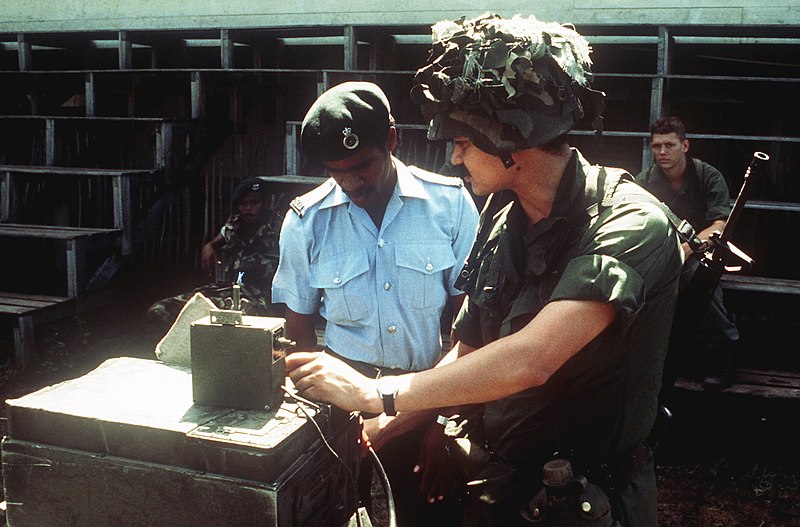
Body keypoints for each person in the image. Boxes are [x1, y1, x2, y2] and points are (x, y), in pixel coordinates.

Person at [284, 14, 684, 527]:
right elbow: (470, 348)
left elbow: (531, 359)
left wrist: (377, 393)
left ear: (511, 140)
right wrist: (386, 424)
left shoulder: (632, 223)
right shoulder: (503, 213)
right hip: (504, 487)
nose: (453, 157)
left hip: (588, 501)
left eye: (464, 141)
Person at [271, 81, 480, 526]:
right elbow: (299, 335)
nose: (351, 183)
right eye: (336, 173)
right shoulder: (306, 221)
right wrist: (319, 425)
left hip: (432, 391)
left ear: (391, 139)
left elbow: (476, 330)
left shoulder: (450, 205)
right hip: (342, 405)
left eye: (362, 167)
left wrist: (444, 422)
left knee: (433, 514)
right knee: (332, 514)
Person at [635, 116, 739, 390]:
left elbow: (719, 223)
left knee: (701, 282)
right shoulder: (644, 182)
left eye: (669, 145)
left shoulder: (707, 176)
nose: (662, 152)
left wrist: (685, 250)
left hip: (702, 253)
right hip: (659, 253)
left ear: (685, 145)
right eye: (657, 146)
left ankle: (721, 357)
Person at [147, 177, 283, 328]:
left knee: (231, 327)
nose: (248, 208)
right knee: (160, 310)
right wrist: (209, 246)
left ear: (264, 204)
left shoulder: (280, 229)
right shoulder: (235, 225)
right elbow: (219, 239)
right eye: (243, 203)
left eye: (254, 203)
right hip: (227, 290)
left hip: (260, 299)